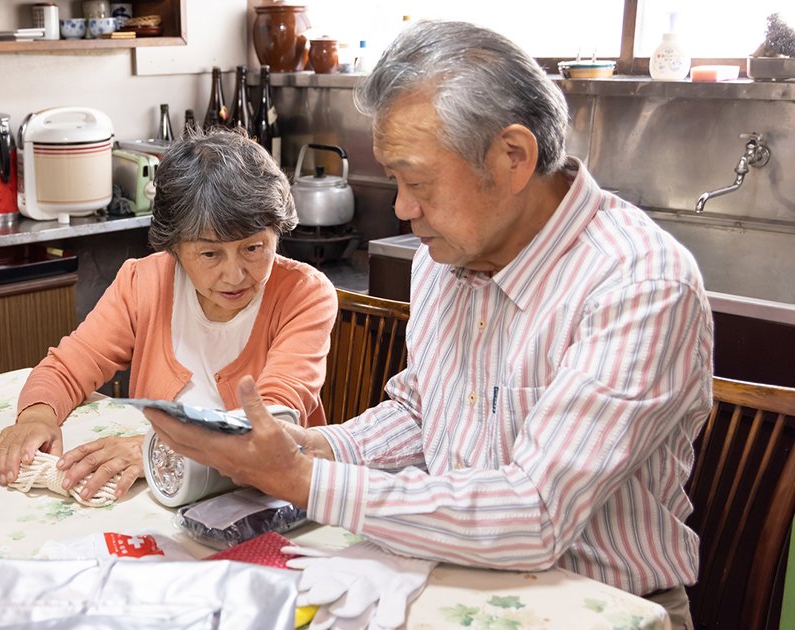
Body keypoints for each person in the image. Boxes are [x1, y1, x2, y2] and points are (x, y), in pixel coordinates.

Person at [144, 20, 712, 629]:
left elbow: (536, 514)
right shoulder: (447, 258)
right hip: (452, 574)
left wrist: (305, 479)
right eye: (395, 181)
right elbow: (423, 413)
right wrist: (314, 447)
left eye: (417, 182)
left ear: (513, 157)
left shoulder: (637, 285)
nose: (401, 207)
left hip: (596, 606)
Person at [0, 127, 337, 503]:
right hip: (164, 493)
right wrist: (37, 417)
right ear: (174, 248)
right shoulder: (144, 281)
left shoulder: (305, 295)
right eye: (210, 254)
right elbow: (70, 366)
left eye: (254, 248)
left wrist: (155, 449)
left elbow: (272, 424)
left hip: (266, 498)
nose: (235, 274)